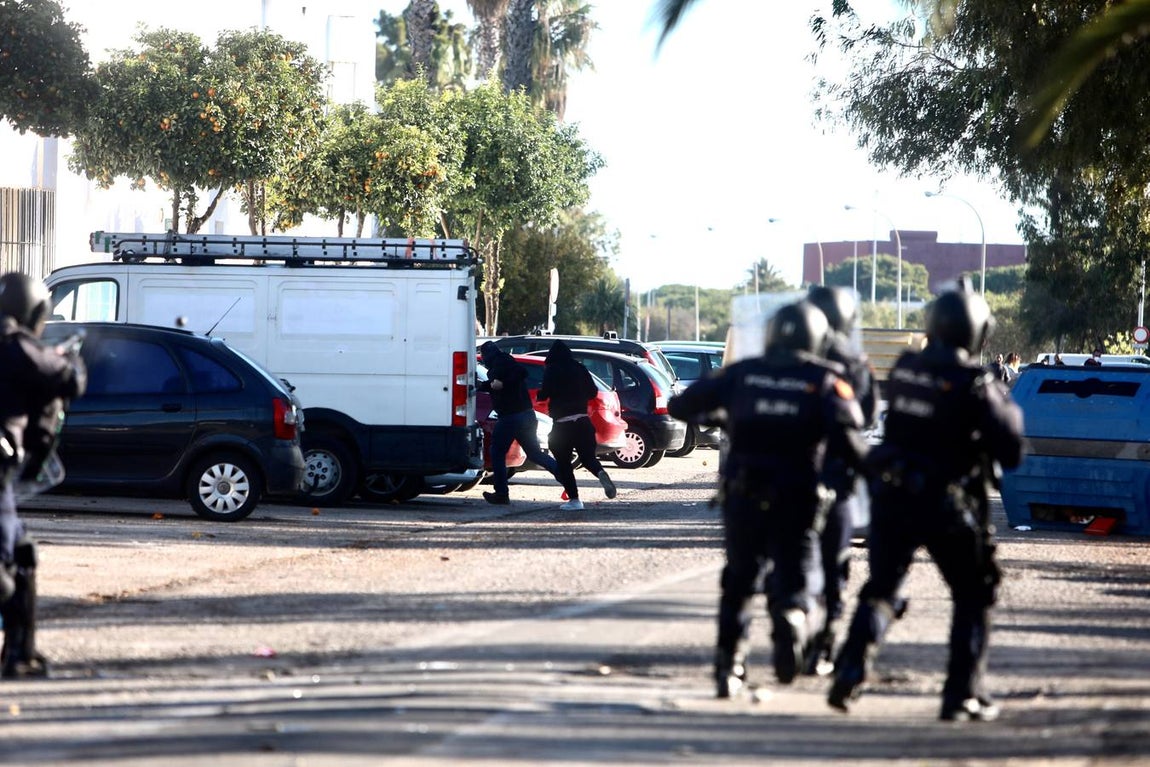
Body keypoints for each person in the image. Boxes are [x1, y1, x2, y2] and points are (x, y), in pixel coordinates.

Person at [827, 284, 1024, 722]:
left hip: (893, 496)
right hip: (947, 505)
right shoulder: (976, 384)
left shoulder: (906, 368)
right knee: (974, 593)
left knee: (882, 587)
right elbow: (1011, 449)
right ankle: (961, 695)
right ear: (976, 333)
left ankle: (850, 669)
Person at [668, 300, 868, 699]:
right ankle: (791, 616)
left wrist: (723, 417)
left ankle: (729, 667)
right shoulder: (826, 379)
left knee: (739, 581)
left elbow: (680, 405)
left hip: (744, 495)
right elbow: (851, 438)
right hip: (799, 498)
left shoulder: (743, 372)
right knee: (794, 576)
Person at [1, 272, 87, 679]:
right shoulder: (16, 346)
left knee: (21, 553)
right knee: (7, 566)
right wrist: (71, 357)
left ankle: (20, 655)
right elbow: (69, 379)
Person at [805, 286, 879, 674]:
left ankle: (791, 621)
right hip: (836, 475)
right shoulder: (853, 363)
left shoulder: (787, 355)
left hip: (788, 474)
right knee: (836, 564)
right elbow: (867, 415)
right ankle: (825, 642)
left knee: (785, 557)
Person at [477, 341, 562, 505]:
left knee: (497, 452)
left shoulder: (498, 365)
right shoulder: (507, 362)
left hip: (510, 417)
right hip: (527, 415)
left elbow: (511, 378)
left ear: (487, 355)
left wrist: (500, 383)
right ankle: (564, 476)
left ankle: (501, 493)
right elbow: (511, 378)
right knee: (534, 453)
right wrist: (485, 386)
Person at [535, 340, 617, 511]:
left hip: (562, 424)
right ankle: (600, 472)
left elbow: (545, 393)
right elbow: (593, 392)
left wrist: (540, 395)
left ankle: (575, 500)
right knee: (588, 458)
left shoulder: (552, 370)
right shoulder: (580, 368)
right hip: (583, 421)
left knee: (564, 463)